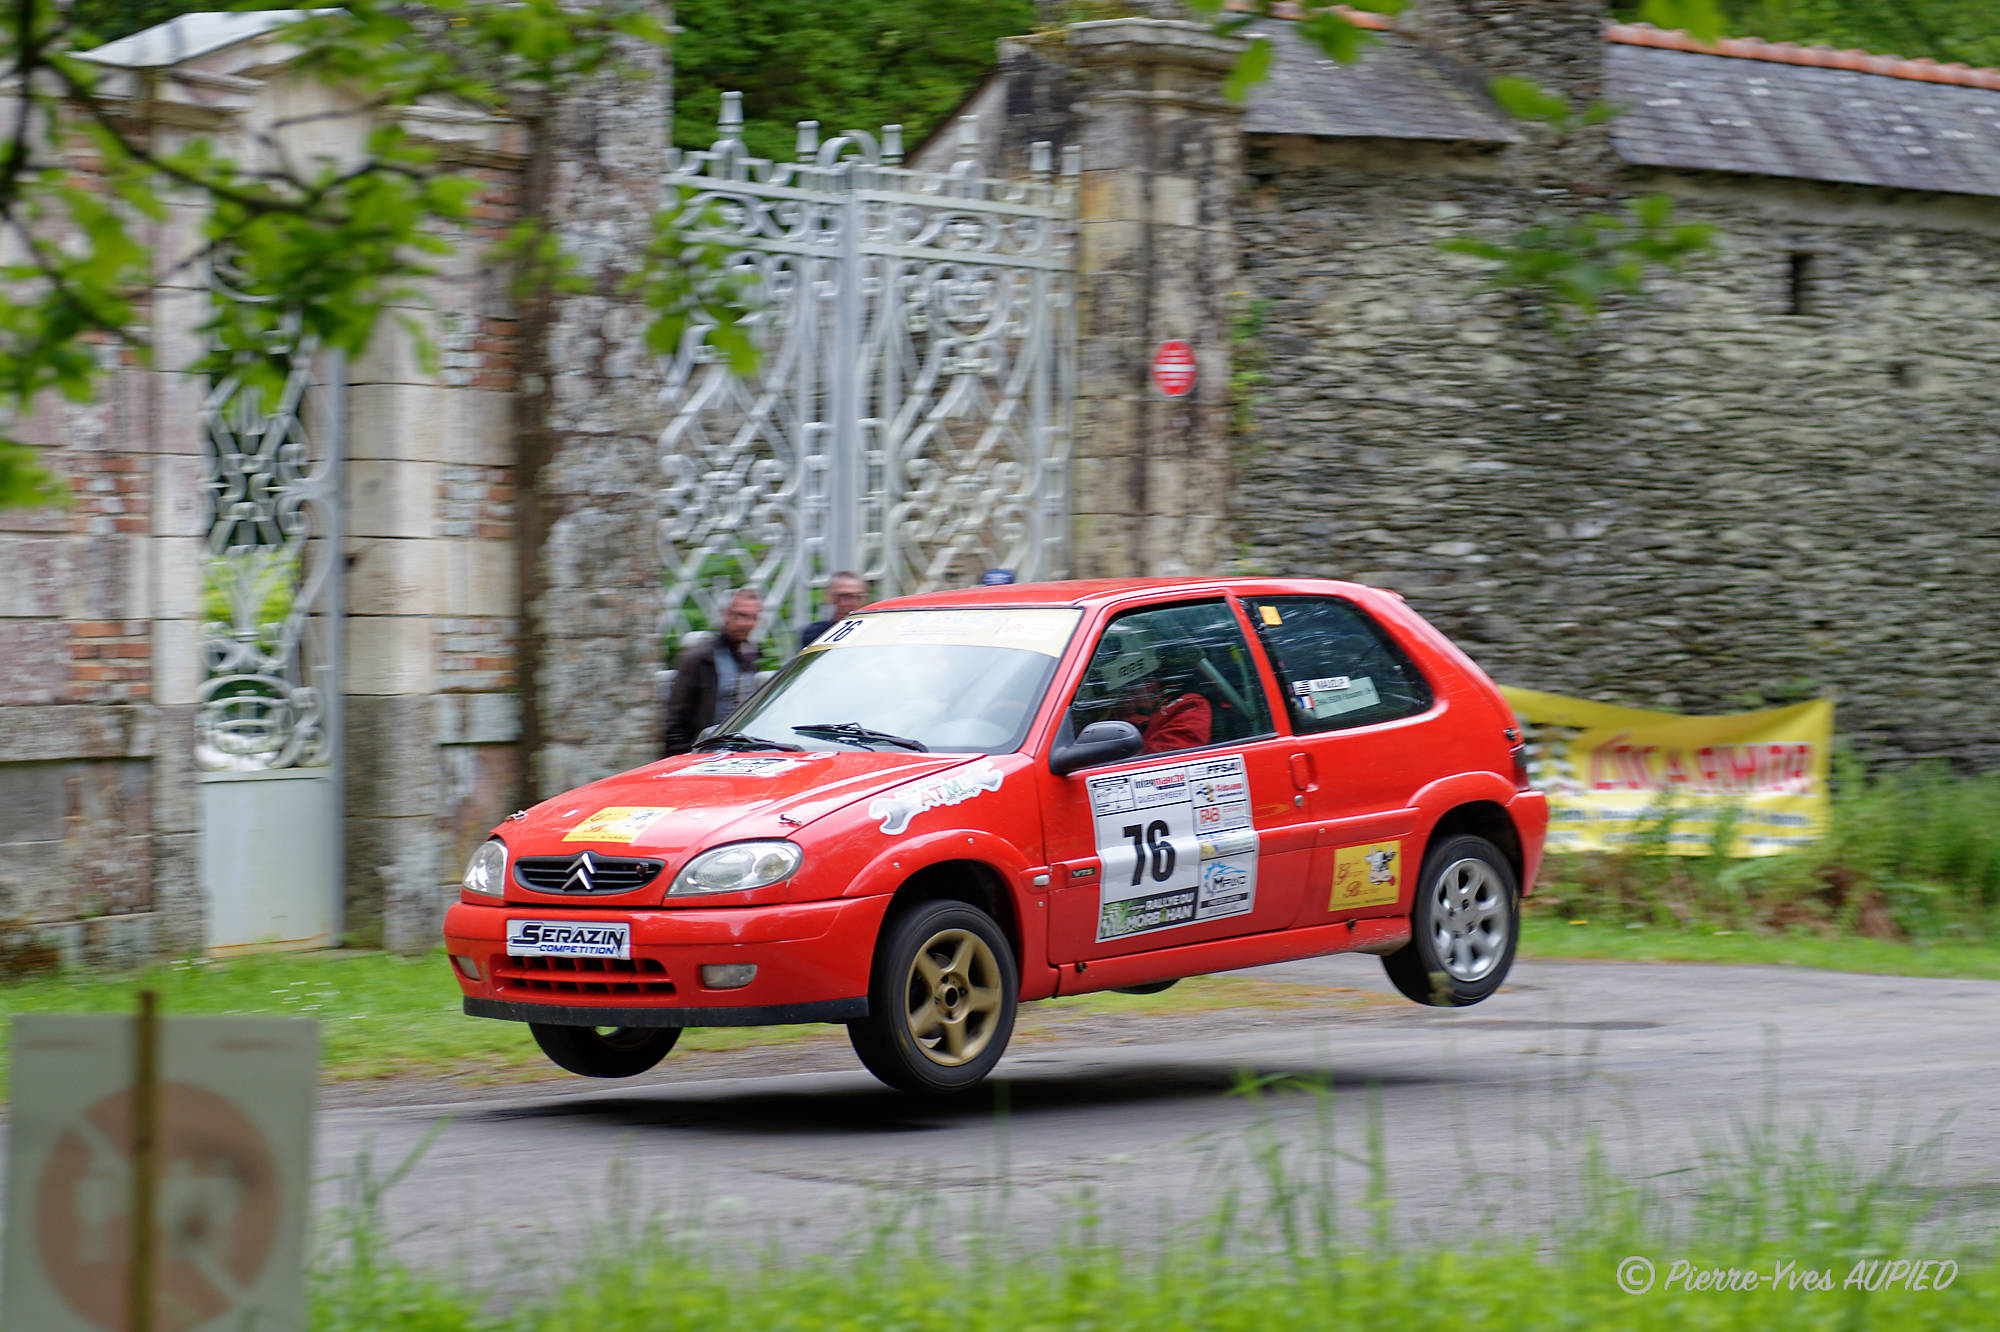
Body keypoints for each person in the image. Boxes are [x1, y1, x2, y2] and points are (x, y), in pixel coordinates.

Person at [663, 588, 762, 755]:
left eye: (753, 617)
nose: (746, 623)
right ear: (725, 615)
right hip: (703, 757)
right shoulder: (699, 658)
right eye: (740, 615)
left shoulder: (749, 657)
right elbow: (675, 720)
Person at [797, 571, 868, 652]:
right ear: (828, 598)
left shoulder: (874, 632)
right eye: (839, 596)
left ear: (864, 599)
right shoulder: (815, 635)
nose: (844, 603)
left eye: (853, 597)